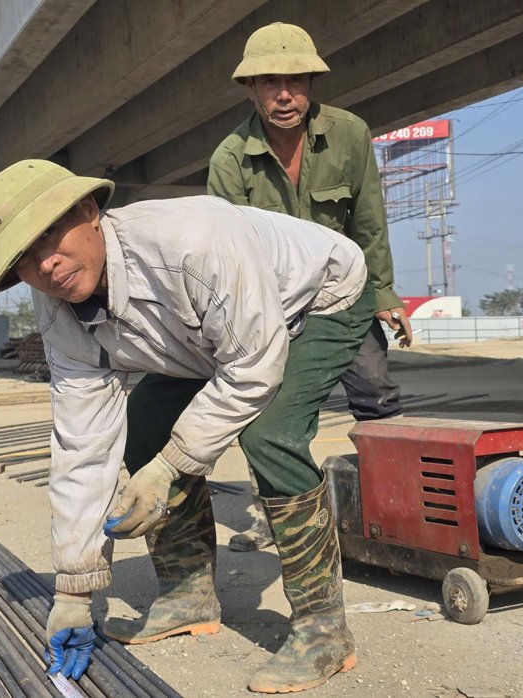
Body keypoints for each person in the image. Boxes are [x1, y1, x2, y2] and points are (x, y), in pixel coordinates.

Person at [0, 159, 372, 692]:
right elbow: (82, 441)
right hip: (211, 339)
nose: (47, 264)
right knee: (144, 431)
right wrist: (72, 591)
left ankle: (323, 630)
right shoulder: (58, 311)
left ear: (90, 210)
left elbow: (253, 365)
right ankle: (188, 596)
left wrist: (170, 467)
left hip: (317, 298)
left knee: (269, 435)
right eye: (24, 259)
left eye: (51, 235)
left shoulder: (191, 243)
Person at [207, 22, 412, 552]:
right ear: (248, 88)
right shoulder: (230, 160)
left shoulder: (350, 135)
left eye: (295, 81)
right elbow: (225, 256)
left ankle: (395, 502)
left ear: (312, 83)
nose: (284, 95)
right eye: (269, 82)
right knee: (266, 410)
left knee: (374, 390)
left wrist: (385, 295)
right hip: (271, 306)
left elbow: (369, 221)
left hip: (345, 293)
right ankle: (276, 513)